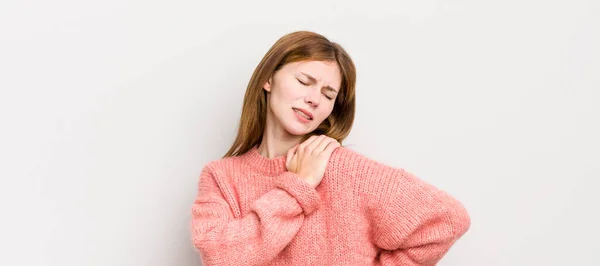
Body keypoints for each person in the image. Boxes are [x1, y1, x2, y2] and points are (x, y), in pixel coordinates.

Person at [190, 30, 471, 265]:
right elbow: (220, 258)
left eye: (328, 95)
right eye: (304, 81)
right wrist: (297, 188)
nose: (314, 99)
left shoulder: (343, 168)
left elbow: (447, 219)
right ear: (268, 78)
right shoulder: (220, 177)